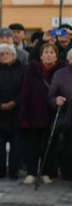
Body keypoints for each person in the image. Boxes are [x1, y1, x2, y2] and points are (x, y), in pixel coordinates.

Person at [21, 42, 66, 185]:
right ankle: (31, 172)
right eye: (46, 52)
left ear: (56, 56)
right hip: (35, 112)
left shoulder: (61, 71)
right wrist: (25, 115)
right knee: (32, 144)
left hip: (53, 112)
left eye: (52, 52)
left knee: (51, 144)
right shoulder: (32, 69)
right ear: (41, 55)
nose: (49, 55)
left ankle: (47, 172)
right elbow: (26, 92)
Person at [0, 44, 24, 180]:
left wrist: (14, 102)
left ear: (13, 56)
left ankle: (14, 170)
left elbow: (24, 91)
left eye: (7, 54)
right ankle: (0, 170)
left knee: (16, 145)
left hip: (16, 112)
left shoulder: (21, 71)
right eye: (2, 54)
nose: (4, 56)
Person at [49, 48, 72, 180]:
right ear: (69, 59)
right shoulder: (60, 74)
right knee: (68, 146)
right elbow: (51, 95)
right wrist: (56, 100)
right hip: (67, 114)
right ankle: (67, 173)